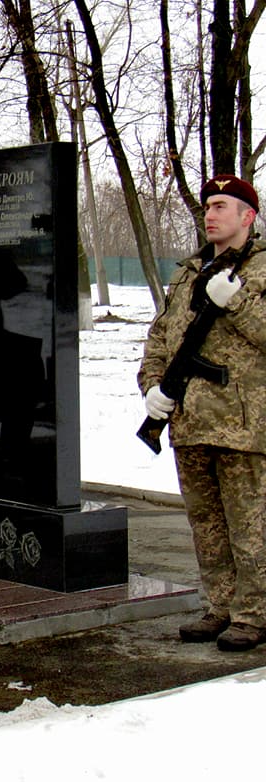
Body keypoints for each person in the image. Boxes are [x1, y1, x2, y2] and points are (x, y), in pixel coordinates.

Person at [138, 174, 266, 652]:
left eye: (220, 206)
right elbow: (160, 336)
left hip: (244, 425)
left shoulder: (262, 269)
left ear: (247, 216)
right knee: (207, 526)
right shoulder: (189, 272)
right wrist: (152, 387)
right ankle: (220, 606)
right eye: (207, 206)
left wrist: (239, 302)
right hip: (189, 422)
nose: (209, 214)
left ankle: (254, 614)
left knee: (250, 526)